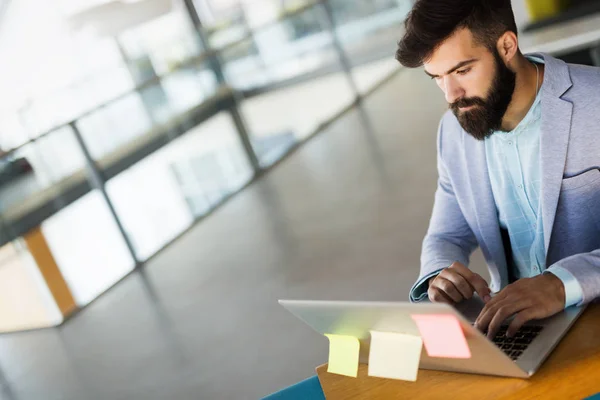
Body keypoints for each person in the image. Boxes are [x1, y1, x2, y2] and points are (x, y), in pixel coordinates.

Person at [396, 0, 600, 339]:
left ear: (506, 46)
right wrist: (438, 274)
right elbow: (446, 235)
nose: (452, 95)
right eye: (437, 77)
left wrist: (561, 285)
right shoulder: (453, 131)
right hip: (513, 330)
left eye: (462, 71)